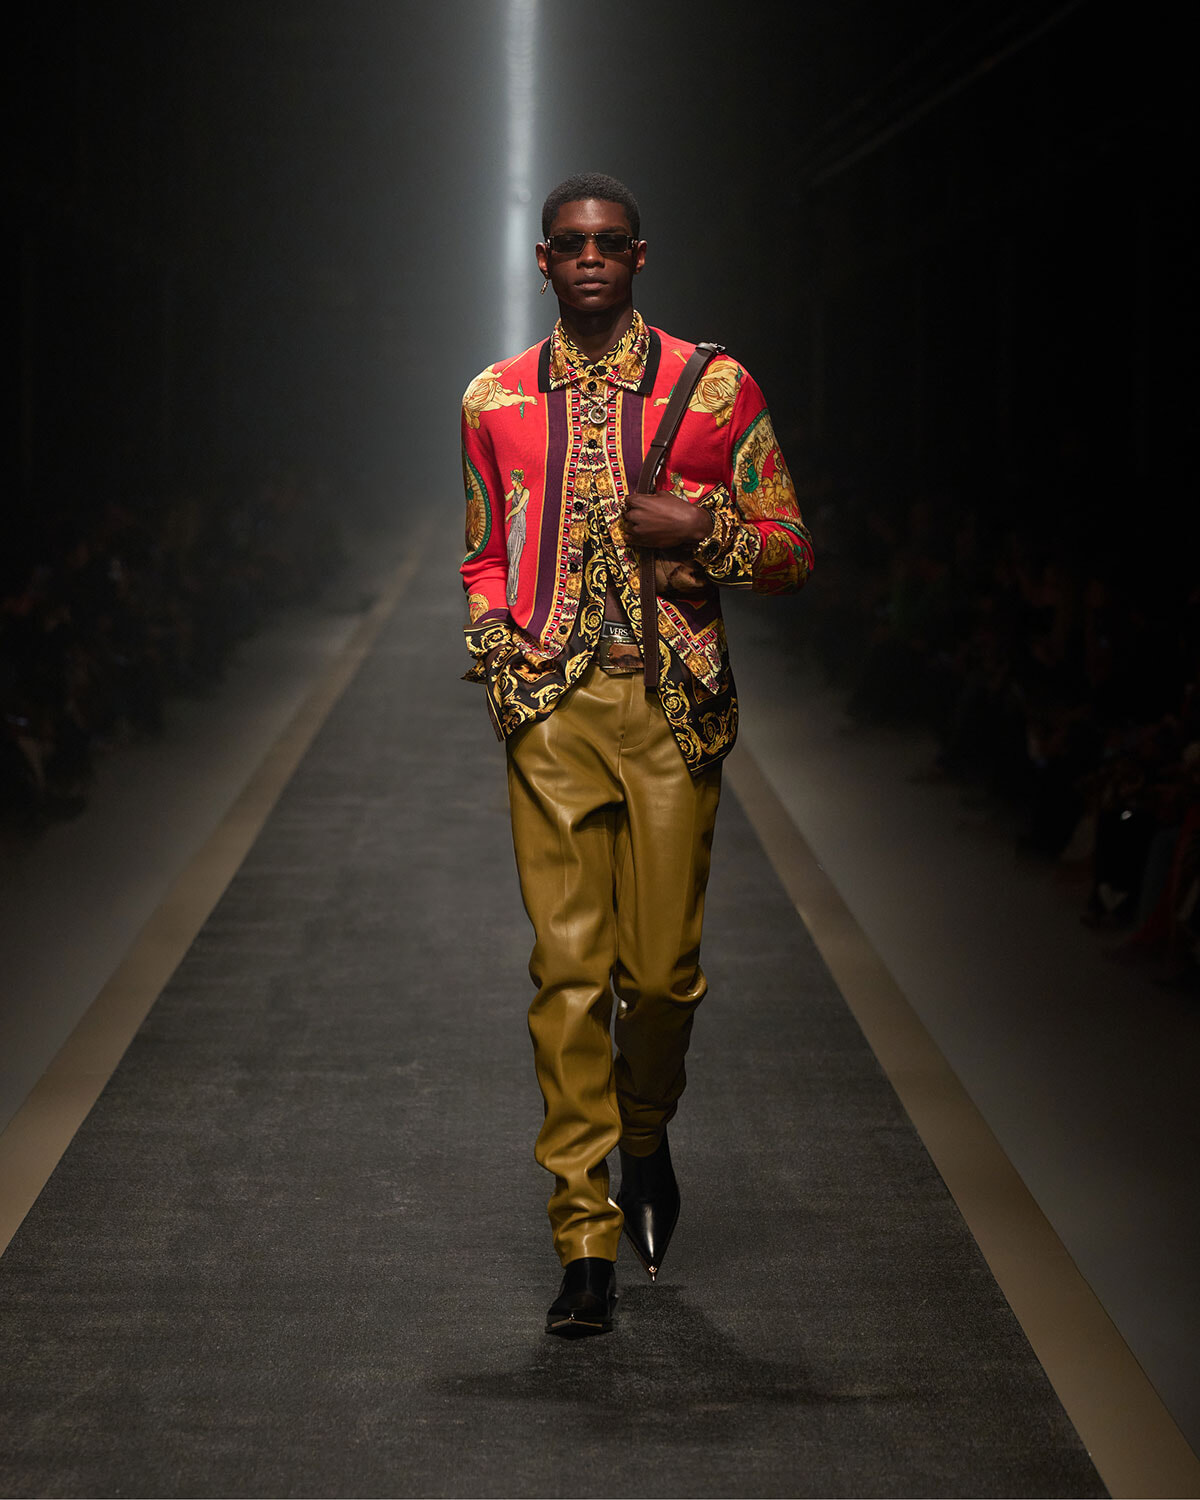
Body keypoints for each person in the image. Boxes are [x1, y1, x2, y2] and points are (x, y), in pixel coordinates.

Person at [460, 172, 814, 1336]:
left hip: (672, 709)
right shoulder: (494, 398)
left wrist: (701, 527)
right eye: (571, 242)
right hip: (551, 712)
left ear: (640, 256)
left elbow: (791, 549)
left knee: (659, 978)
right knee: (566, 975)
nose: (590, 258)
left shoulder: (715, 387)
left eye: (610, 242)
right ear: (543, 261)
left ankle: (645, 1131)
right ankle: (584, 1235)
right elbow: (482, 549)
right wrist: (495, 644)